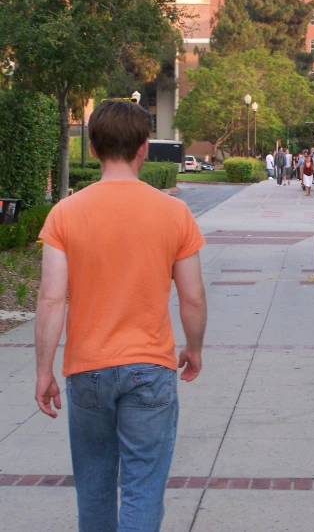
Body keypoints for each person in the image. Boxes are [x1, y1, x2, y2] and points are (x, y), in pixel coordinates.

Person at [34, 100, 207, 531]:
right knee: (142, 488)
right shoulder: (174, 214)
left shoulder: (65, 214)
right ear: (144, 149)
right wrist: (194, 348)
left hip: (87, 368)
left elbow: (52, 299)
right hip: (150, 366)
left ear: (92, 149)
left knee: (93, 488)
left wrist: (44, 369)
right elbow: (193, 298)